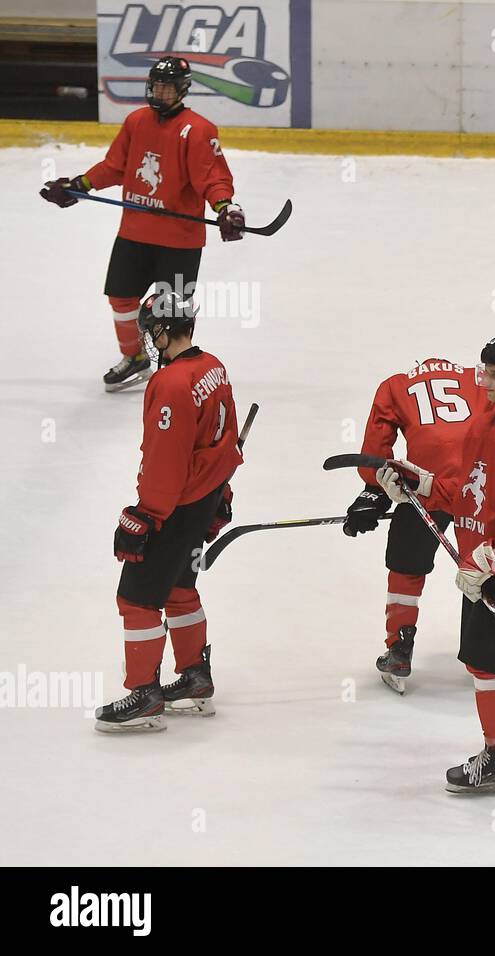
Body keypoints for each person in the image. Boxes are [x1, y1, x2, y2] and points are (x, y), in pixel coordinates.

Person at [376, 334, 495, 793]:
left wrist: (493, 557)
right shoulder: (485, 423)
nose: (486, 382)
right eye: (486, 372)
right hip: (486, 563)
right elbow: (467, 489)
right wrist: (419, 485)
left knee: (485, 665)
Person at [39, 55, 245, 392]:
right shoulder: (136, 121)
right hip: (135, 232)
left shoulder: (198, 130)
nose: (160, 92)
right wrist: (80, 185)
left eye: (168, 87)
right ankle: (135, 358)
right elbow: (115, 166)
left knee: (172, 311)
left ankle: (174, 370)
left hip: (179, 240)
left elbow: (213, 178)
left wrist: (226, 208)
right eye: (157, 85)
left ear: (183, 90)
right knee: (121, 297)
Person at [94, 292, 242, 732]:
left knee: (136, 599)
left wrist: (146, 515)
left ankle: (143, 694)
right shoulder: (214, 367)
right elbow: (227, 440)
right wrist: (222, 494)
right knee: (179, 588)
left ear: (161, 330)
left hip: (175, 508)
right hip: (203, 500)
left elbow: (165, 460)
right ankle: (195, 676)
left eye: (150, 331)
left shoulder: (171, 384)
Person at [342, 356, 493, 693]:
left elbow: (375, 454)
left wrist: (375, 490)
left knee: (405, 565)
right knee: (481, 566)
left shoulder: (395, 385)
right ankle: (483, 652)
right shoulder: (477, 377)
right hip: (477, 484)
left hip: (426, 484)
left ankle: (399, 647)